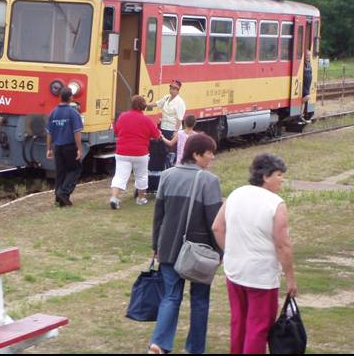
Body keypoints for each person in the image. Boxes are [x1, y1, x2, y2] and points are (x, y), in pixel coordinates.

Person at [212, 153, 297, 354]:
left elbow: (217, 227)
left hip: (235, 271)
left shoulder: (236, 194)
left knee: (239, 321)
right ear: (266, 176)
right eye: (278, 174)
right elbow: (282, 245)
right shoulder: (276, 204)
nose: (282, 179)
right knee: (258, 326)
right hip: (261, 276)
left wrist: (230, 252)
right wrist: (290, 278)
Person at [149, 133, 223, 355]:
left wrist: (156, 245)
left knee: (171, 296)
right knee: (199, 299)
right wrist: (220, 251)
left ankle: (159, 343)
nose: (212, 157)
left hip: (168, 246)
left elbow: (158, 215)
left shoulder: (167, 175)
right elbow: (214, 221)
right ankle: (195, 348)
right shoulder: (209, 181)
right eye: (209, 153)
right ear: (196, 154)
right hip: (199, 251)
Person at [110, 95, 162, 209]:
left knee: (119, 176)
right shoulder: (146, 120)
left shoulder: (122, 116)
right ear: (143, 106)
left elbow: (116, 131)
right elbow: (156, 135)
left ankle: (114, 197)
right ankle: (141, 198)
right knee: (141, 176)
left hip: (122, 151)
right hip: (140, 153)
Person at [45, 88, 83, 207]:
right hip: (70, 146)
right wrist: (79, 149)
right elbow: (76, 132)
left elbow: (49, 133)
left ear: (60, 97)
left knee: (60, 172)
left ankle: (59, 199)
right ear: (71, 98)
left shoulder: (53, 113)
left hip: (57, 147)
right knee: (75, 170)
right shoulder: (73, 113)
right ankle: (64, 192)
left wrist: (49, 149)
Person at [147, 79, 187, 167]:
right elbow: (157, 104)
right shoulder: (166, 98)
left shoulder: (180, 102)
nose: (171, 90)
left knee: (169, 152)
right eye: (171, 87)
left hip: (172, 129)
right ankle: (162, 167)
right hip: (163, 127)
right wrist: (146, 105)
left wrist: (175, 131)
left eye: (174, 88)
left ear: (178, 90)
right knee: (162, 150)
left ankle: (169, 167)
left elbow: (179, 118)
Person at [300, 51, 313, 123]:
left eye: (309, 55)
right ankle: (299, 111)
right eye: (307, 55)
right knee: (307, 97)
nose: (308, 56)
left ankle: (302, 116)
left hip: (308, 86)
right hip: (303, 85)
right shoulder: (303, 64)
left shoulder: (309, 64)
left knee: (306, 100)